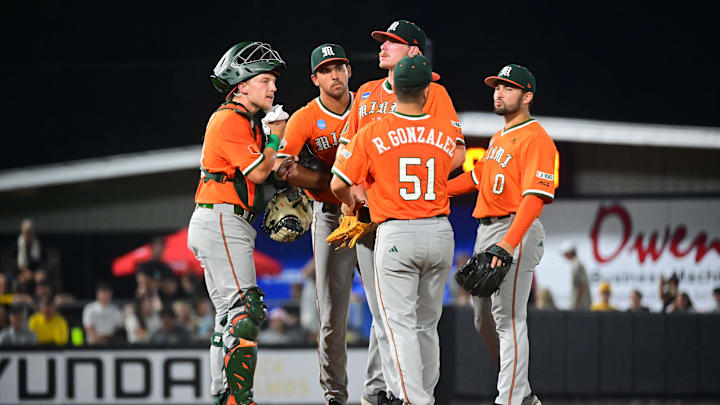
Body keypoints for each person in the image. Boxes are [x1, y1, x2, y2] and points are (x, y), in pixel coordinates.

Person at [337, 20, 466, 405]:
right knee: (392, 320)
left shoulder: (436, 93)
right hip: (376, 219)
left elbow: (456, 154)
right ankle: (384, 391)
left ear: (413, 52)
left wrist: (381, 180)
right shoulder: (365, 92)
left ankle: (404, 395)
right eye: (382, 41)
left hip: (396, 220)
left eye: (392, 42)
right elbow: (347, 154)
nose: (383, 47)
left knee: (402, 323)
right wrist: (354, 199)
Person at [447, 64, 556, 405]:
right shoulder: (499, 138)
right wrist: (436, 191)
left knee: (508, 319)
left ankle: (509, 399)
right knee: (483, 319)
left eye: (508, 88)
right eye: (497, 86)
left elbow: (534, 198)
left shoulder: (536, 138)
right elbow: (477, 177)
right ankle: (519, 391)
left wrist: (508, 243)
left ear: (527, 96)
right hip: (487, 228)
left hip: (514, 228)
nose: (498, 92)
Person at [186, 41, 287, 405]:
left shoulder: (245, 122)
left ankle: (220, 393)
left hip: (222, 221)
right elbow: (259, 172)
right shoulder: (229, 118)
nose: (272, 87)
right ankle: (238, 400)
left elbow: (271, 169)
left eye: (273, 81)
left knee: (229, 315)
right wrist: (276, 133)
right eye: (264, 80)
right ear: (241, 84)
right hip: (222, 221)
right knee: (246, 310)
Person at [272, 43, 357, 405]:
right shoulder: (306, 117)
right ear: (314, 78)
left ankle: (384, 390)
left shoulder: (369, 105)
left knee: (389, 310)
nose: (334, 74)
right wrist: (333, 184)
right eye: (326, 69)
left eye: (339, 67)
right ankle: (335, 395)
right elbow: (281, 168)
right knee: (330, 316)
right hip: (330, 214)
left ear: (349, 70)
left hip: (372, 214)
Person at [560, 241, 591, 311]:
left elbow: (581, 286)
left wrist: (577, 305)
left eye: (564, 253)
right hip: (582, 306)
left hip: (581, 307)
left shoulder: (576, 265)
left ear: (569, 252)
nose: (564, 256)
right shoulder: (576, 263)